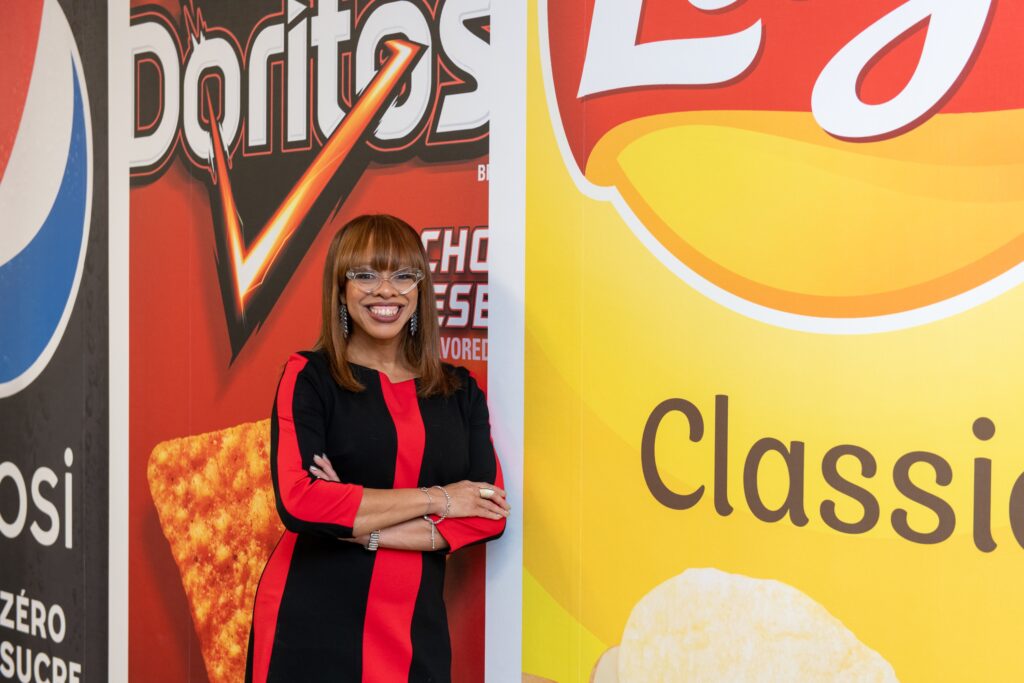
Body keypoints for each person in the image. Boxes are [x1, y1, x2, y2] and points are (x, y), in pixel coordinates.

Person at [244, 214, 509, 683]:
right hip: (311, 627)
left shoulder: (460, 391)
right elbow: (301, 502)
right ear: (340, 288)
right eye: (365, 275)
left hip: (415, 632)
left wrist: (356, 527)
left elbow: (487, 514)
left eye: (403, 276)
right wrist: (441, 498)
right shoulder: (310, 377)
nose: (386, 291)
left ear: (420, 289)